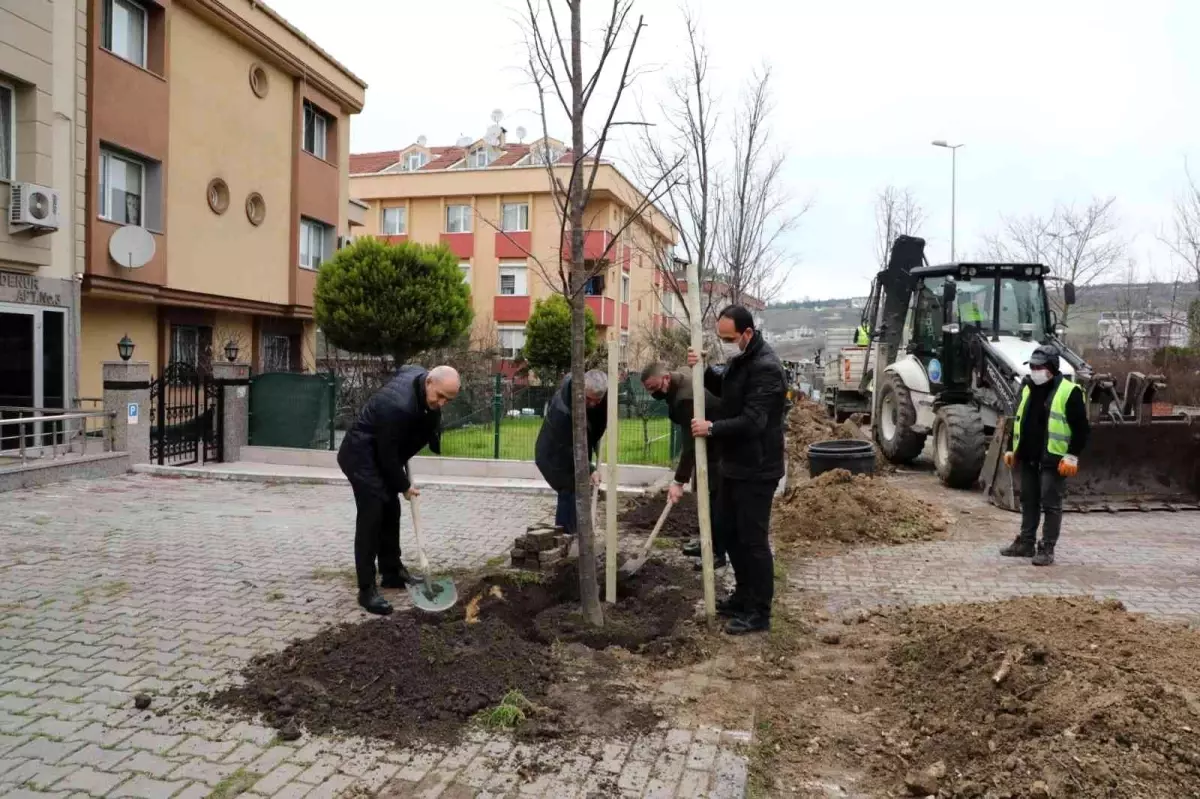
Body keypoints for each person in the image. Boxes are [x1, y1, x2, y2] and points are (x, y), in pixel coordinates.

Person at [688, 305, 788, 635]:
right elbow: (724, 385)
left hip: (758, 468)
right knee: (727, 531)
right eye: (721, 338)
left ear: (747, 333)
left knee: (752, 540)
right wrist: (702, 369)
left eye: (730, 338)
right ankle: (743, 596)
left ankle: (759, 611)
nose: (726, 344)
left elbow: (753, 421)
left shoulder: (767, 368)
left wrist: (712, 428)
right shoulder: (741, 361)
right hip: (733, 465)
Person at [337, 364, 461, 615]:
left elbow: (404, 368)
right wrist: (404, 486)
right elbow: (387, 456)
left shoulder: (418, 377)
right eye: (439, 396)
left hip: (381, 450)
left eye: (448, 399)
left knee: (391, 510)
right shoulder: (398, 407)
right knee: (372, 516)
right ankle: (366, 590)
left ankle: (392, 572)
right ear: (428, 383)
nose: (442, 403)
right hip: (361, 454)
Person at [1000, 345, 1090, 566]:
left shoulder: (1070, 392)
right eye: (1032, 366)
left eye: (1038, 366)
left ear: (1051, 368)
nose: (1034, 370)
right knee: (1028, 500)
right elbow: (1018, 419)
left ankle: (1047, 548)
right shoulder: (1027, 388)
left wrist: (1072, 455)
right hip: (1029, 455)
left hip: (1053, 459)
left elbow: (1082, 429)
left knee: (1050, 504)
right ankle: (1026, 543)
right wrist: (1012, 448)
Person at [640, 362, 725, 569]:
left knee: (714, 500)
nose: (652, 394)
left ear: (666, 378)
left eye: (653, 388)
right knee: (702, 492)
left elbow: (690, 445)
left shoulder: (685, 399)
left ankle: (717, 553)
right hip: (709, 443)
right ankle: (706, 541)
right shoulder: (681, 377)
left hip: (719, 446)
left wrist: (678, 481)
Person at [534, 370, 608, 536]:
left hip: (574, 445)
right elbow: (569, 449)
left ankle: (577, 533)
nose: (593, 404)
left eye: (597, 401)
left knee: (580, 488)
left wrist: (595, 449)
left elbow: (596, 425)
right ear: (580, 391)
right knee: (569, 488)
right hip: (553, 453)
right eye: (589, 400)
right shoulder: (562, 412)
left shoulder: (597, 398)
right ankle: (565, 537)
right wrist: (591, 468)